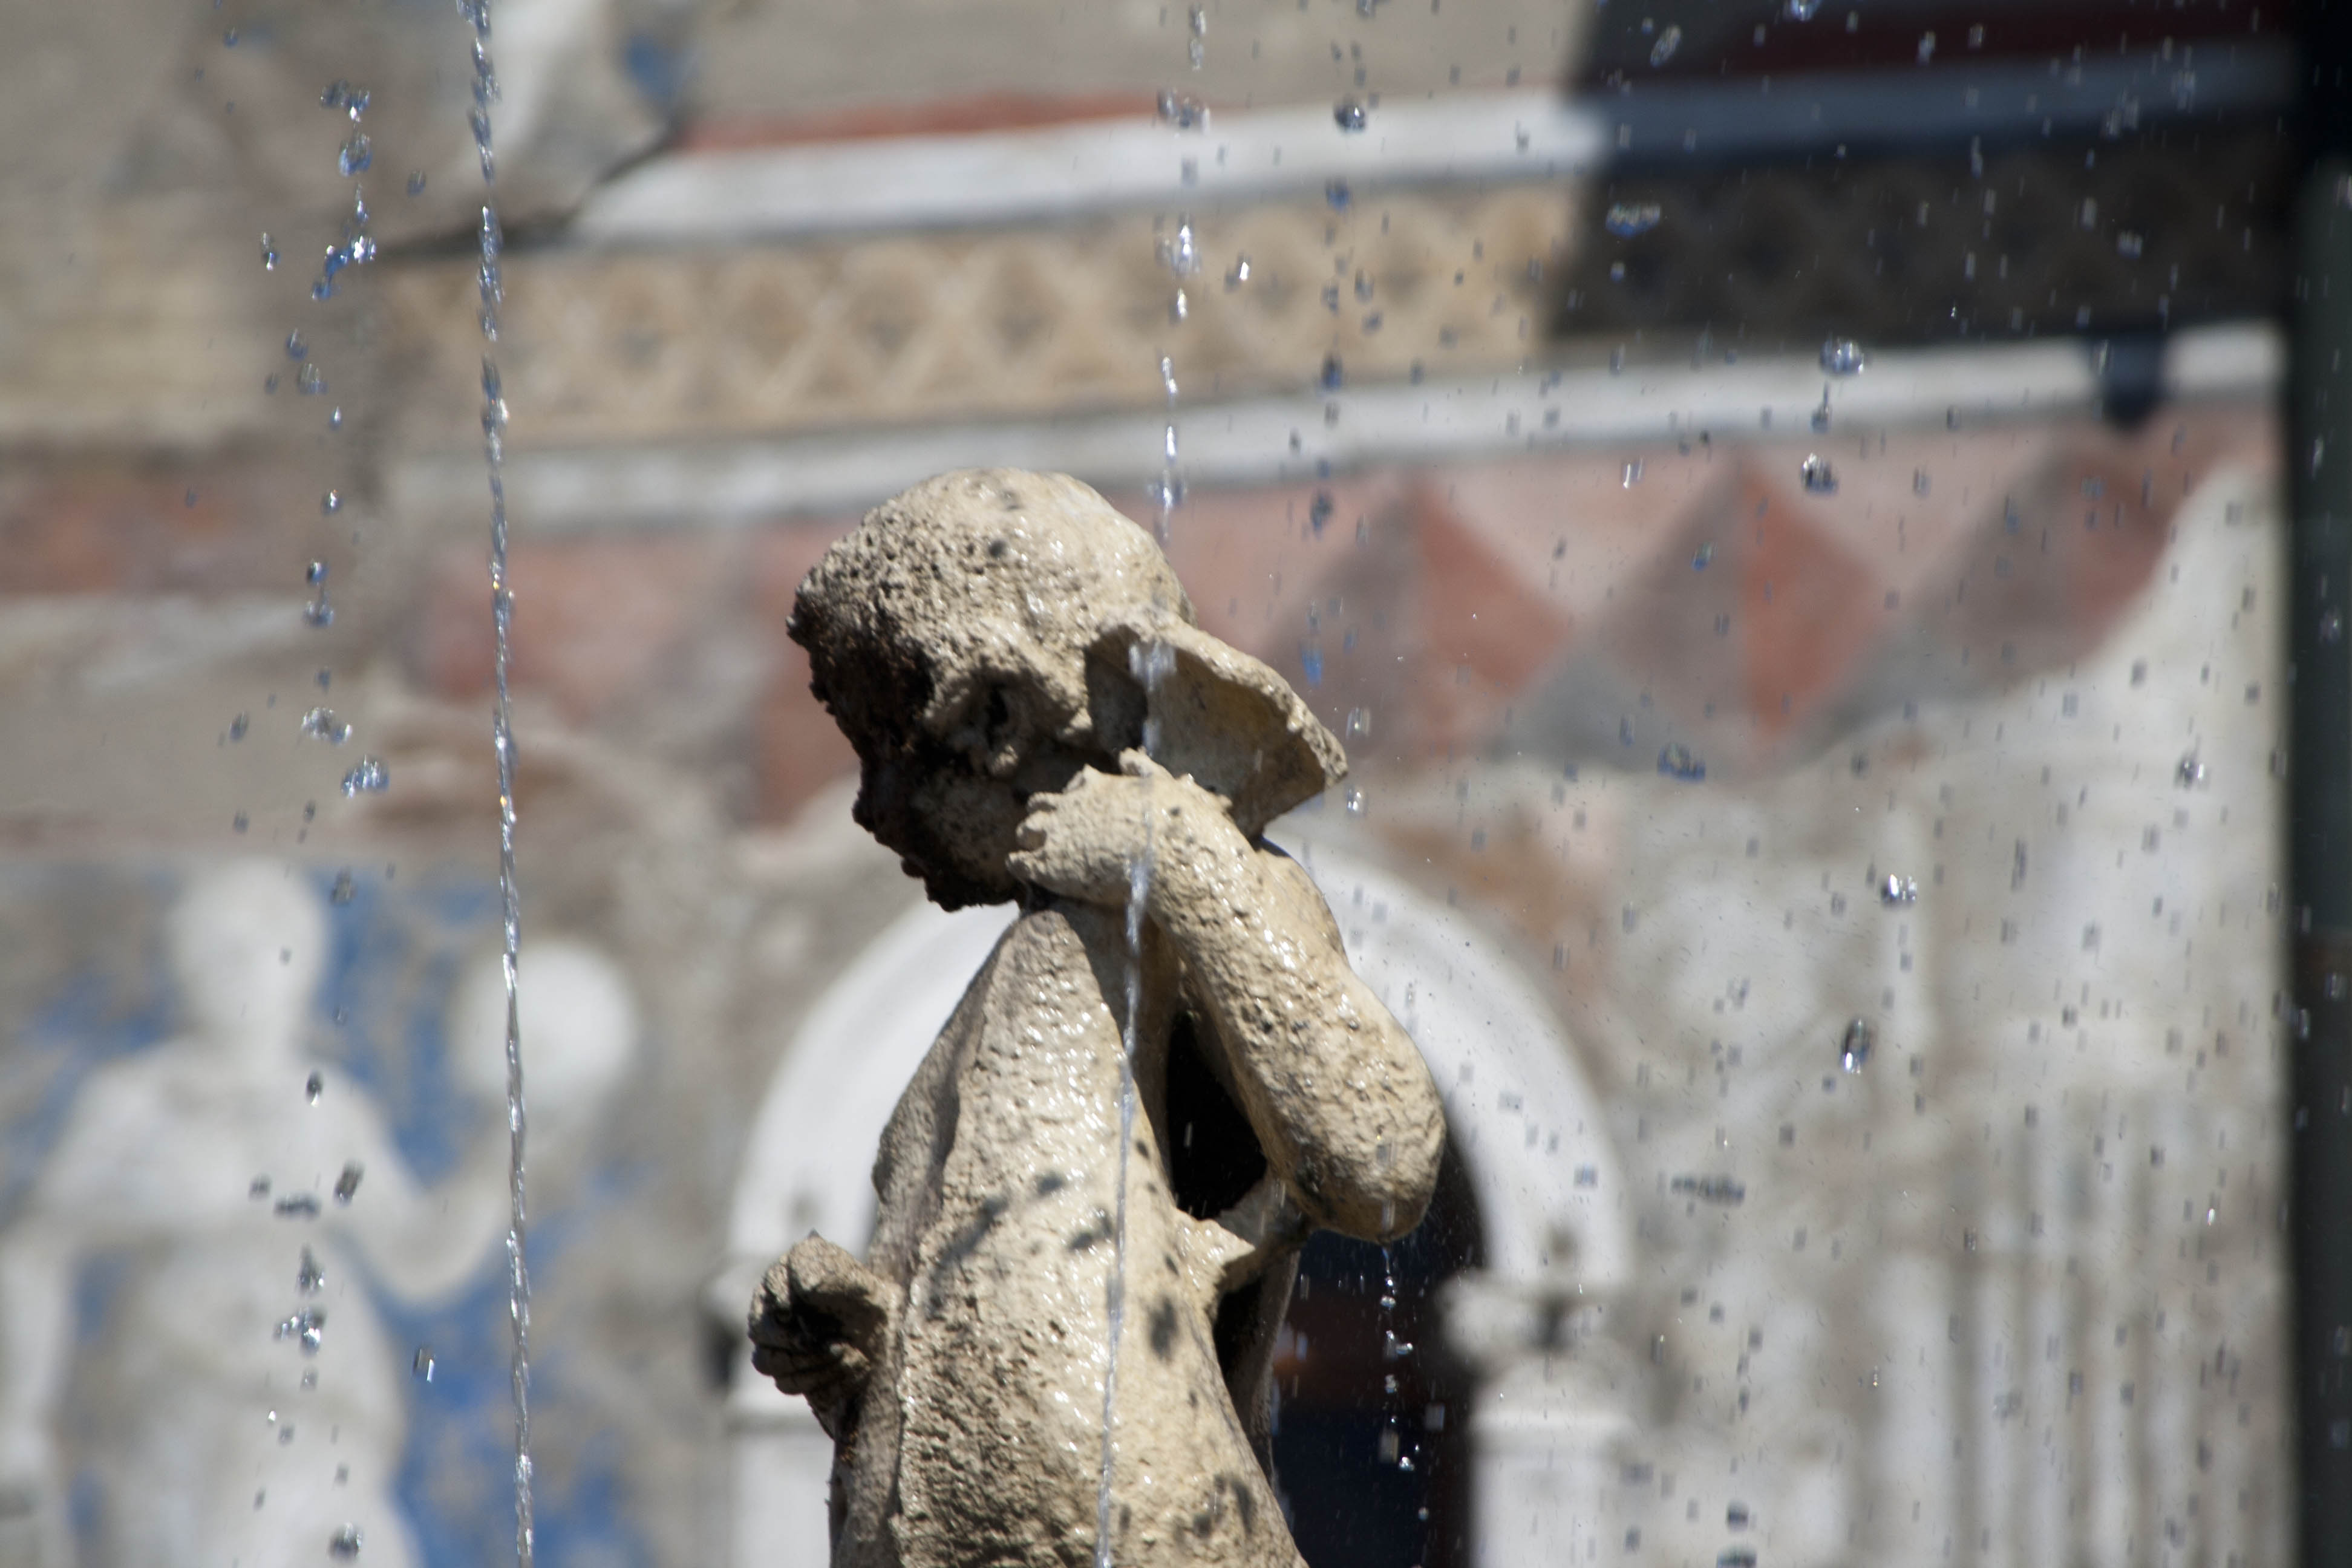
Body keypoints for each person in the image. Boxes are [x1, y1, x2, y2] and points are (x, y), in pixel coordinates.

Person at [748, 469, 1445, 1568]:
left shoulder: (1188, 887)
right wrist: (869, 1344)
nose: (869, 806)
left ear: (993, 712)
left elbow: (1380, 1156)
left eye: (889, 743)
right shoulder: (987, 1015)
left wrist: (1181, 863)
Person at [0, 862, 627, 1568]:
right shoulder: (138, 1103)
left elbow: (415, 1260)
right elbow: (39, 1251)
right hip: (185, 1393)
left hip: (318, 1392)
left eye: (268, 951)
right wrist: (18, 1413)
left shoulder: (326, 1104)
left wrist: (495, 1161)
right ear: (184, 966)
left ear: (301, 966)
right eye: (219, 951)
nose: (241, 974)